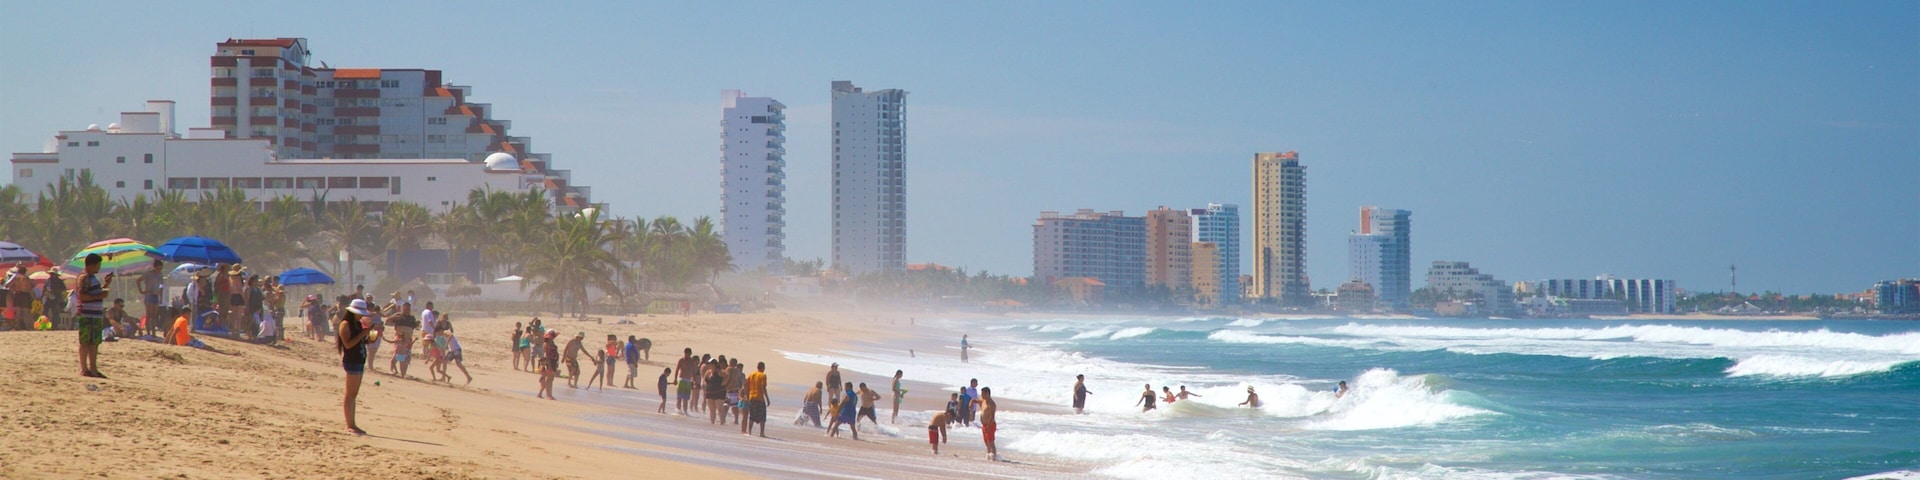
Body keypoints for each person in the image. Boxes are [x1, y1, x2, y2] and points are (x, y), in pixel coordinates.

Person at [337, 298, 372, 436]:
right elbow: (348, 344)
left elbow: (360, 342)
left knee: (353, 394)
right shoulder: (345, 324)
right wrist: (363, 334)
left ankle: (352, 423)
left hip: (359, 359)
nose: (361, 315)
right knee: (350, 393)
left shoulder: (357, 324)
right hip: (352, 360)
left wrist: (369, 337)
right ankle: (349, 425)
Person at [75, 254, 114, 378]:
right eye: (98, 265)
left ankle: (93, 368)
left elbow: (95, 292)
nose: (99, 268)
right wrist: (99, 296)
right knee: (85, 341)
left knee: (94, 342)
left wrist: (106, 285)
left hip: (95, 315)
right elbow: (82, 296)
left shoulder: (92, 278)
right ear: (92, 265)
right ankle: (84, 369)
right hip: (87, 314)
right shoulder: (84, 278)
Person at [138, 259, 164, 337]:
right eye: (158, 268)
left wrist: (161, 296)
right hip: (149, 294)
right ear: (154, 267)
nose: (159, 270)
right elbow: (138, 280)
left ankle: (153, 332)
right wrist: (141, 291)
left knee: (154, 315)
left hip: (156, 295)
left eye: (161, 268)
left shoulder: (160, 275)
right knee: (149, 315)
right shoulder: (148, 274)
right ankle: (148, 331)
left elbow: (161, 286)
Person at [744, 361, 769, 437]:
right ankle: (761, 433)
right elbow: (763, 387)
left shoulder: (752, 374)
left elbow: (745, 384)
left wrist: (747, 394)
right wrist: (767, 399)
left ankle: (749, 432)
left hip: (752, 397)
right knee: (762, 416)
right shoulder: (763, 375)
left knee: (752, 415)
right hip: (759, 398)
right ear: (762, 367)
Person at [5, 264, 32, 331]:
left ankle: (18, 326)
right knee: (26, 312)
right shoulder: (26, 278)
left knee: (18, 312)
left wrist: (14, 289)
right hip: (26, 295)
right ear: (25, 272)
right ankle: (28, 327)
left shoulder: (16, 277)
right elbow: (30, 288)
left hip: (18, 295)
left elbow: (7, 285)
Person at [674, 348, 698, 415]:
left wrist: (694, 381)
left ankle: (685, 411)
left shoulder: (692, 361)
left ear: (690, 354)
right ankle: (678, 410)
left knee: (686, 398)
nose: (686, 355)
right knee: (679, 397)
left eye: (688, 354)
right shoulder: (681, 360)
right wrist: (675, 379)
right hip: (681, 380)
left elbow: (693, 372)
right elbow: (677, 370)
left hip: (688, 381)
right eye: (685, 354)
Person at [537, 330, 559, 400]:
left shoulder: (550, 343)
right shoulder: (547, 344)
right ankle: (549, 395)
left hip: (551, 362)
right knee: (549, 379)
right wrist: (549, 366)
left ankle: (540, 394)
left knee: (546, 379)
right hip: (549, 362)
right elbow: (547, 355)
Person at [978, 387, 999, 461]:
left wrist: (988, 426)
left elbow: (992, 416)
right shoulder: (984, 401)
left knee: (991, 442)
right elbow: (975, 400)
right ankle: (989, 455)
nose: (981, 395)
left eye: (983, 394)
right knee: (986, 442)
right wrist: (971, 402)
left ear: (987, 394)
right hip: (984, 425)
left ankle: (994, 457)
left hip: (990, 425)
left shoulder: (991, 404)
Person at [704, 359, 728, 425]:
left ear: (714, 364)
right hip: (709, 393)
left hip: (719, 392)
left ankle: (722, 423)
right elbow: (705, 380)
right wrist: (705, 387)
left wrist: (724, 383)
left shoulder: (720, 372)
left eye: (710, 364)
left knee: (720, 408)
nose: (709, 365)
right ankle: (712, 423)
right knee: (712, 409)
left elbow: (727, 376)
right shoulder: (708, 372)